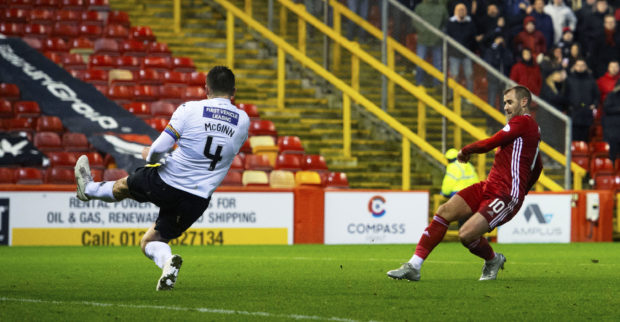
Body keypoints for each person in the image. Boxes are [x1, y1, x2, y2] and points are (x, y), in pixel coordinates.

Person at [74, 66, 250, 291]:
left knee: (123, 186)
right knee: (152, 241)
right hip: (196, 200)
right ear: (234, 91)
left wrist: (148, 154)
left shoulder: (190, 110)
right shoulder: (243, 120)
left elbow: (159, 150)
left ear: (206, 88)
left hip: (167, 182)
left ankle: (87, 189)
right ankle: (167, 263)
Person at [387, 85, 543, 282]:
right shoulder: (530, 131)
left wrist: (466, 150)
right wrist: (524, 189)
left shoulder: (523, 122)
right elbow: (537, 166)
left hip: (505, 195)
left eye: (510, 102)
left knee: (466, 235)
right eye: (504, 103)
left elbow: (490, 143)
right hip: (489, 186)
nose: (505, 107)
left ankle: (493, 260)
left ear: (524, 102)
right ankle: (414, 265)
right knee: (444, 211)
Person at [414, 0, 449, 87]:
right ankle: (419, 82)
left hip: (436, 40)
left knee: (438, 63)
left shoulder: (442, 8)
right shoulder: (420, 7)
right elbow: (415, 21)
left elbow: (446, 22)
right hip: (423, 39)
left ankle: (437, 83)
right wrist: (423, 31)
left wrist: (440, 33)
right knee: (420, 61)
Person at [565, 58, 600, 141]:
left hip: (586, 115)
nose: (580, 67)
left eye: (582, 65)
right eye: (578, 65)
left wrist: (594, 105)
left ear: (586, 67)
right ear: (574, 66)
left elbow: (597, 95)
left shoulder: (591, 80)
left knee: (585, 140)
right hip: (573, 114)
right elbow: (565, 95)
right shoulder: (569, 80)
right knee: (573, 141)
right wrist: (569, 106)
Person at [446, 3, 479, 92]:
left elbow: (473, 38)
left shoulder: (470, 23)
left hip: (467, 54)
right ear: (455, 11)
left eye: (463, 10)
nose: (461, 11)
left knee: (469, 76)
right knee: (454, 76)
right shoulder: (450, 23)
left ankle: (469, 98)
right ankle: (451, 96)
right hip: (454, 54)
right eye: (459, 10)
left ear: (466, 11)